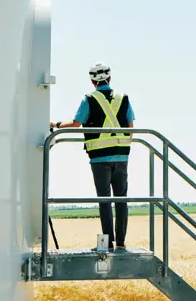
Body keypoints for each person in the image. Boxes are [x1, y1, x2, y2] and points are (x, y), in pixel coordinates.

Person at [50, 62, 135, 252]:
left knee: (104, 199)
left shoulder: (89, 99)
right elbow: (131, 128)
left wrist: (55, 124)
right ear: (110, 78)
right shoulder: (124, 98)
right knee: (121, 199)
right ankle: (121, 242)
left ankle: (108, 244)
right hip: (122, 156)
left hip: (99, 158)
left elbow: (75, 124)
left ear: (92, 81)